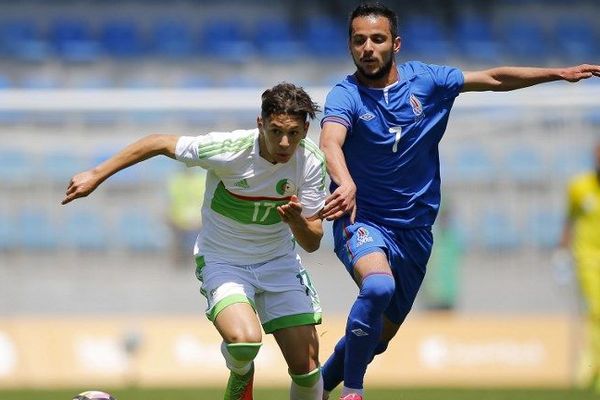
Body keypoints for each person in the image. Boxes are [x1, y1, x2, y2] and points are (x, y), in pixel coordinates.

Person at [317, 3, 600, 399]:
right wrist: (345, 182)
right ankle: (354, 392)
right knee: (378, 287)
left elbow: (494, 79)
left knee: (375, 340)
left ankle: (313, 389)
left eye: (377, 39)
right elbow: (330, 140)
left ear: (395, 44)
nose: (367, 48)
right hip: (362, 220)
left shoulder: (427, 81)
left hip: (414, 233)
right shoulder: (345, 95)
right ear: (350, 44)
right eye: (358, 40)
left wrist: (557, 73)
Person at [62, 83, 328, 400]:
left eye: (294, 133)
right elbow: (158, 142)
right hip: (225, 262)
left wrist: (297, 220)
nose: (285, 142)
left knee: (307, 370)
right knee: (244, 343)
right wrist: (96, 174)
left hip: (279, 264)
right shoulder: (230, 149)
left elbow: (312, 241)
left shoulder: (310, 162)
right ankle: (242, 372)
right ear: (261, 124)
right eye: (275, 131)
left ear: (306, 129)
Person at [559, 142, 600, 391]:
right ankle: (591, 363)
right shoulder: (579, 187)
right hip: (587, 259)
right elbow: (569, 220)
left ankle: (591, 361)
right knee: (597, 310)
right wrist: (561, 254)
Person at [166, 166, 206, 267]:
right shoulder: (176, 180)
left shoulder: (202, 179)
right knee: (176, 237)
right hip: (179, 220)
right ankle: (179, 262)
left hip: (198, 220)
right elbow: (171, 202)